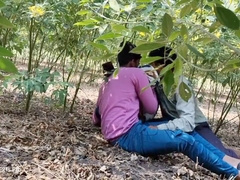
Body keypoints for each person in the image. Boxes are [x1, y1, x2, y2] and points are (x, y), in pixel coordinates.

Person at [92, 41, 240, 179]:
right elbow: (151, 108)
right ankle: (233, 173)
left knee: (198, 138)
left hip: (192, 124)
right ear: (133, 62)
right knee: (185, 140)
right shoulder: (138, 74)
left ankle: (231, 164)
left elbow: (96, 117)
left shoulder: (108, 79)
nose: (148, 68)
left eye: (153, 65)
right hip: (129, 133)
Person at [141, 46, 240, 159]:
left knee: (223, 157)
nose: (150, 69)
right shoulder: (157, 81)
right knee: (140, 129)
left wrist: (159, 128)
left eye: (152, 65)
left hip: (196, 126)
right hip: (173, 122)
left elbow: (188, 122)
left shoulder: (181, 85)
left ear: (163, 66)